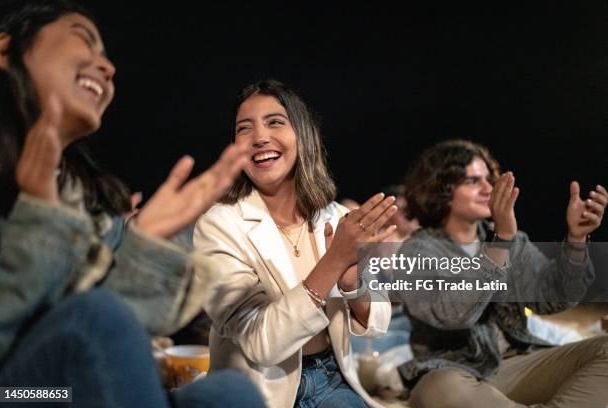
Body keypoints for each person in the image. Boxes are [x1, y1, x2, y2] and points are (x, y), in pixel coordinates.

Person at [0, 1, 263, 406]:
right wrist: (40, 220)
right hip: (17, 392)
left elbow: (93, 337)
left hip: (65, 387)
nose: (107, 67)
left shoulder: (82, 197)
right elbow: (84, 326)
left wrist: (144, 247)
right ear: (3, 51)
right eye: (84, 39)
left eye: (107, 55)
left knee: (229, 393)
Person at [193, 79, 395, 408]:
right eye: (244, 129)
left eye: (275, 122)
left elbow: (378, 321)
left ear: (303, 135)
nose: (259, 138)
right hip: (254, 390)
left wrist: (352, 284)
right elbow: (262, 345)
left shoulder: (337, 217)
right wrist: (333, 262)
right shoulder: (218, 225)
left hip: (331, 378)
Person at [390, 140, 608, 407]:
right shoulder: (416, 251)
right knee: (439, 388)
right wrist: (500, 241)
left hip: (521, 365)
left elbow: (554, 298)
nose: (487, 189)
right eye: (472, 181)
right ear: (440, 190)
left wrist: (576, 239)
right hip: (460, 374)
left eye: (488, 179)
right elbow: (453, 314)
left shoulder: (512, 241)